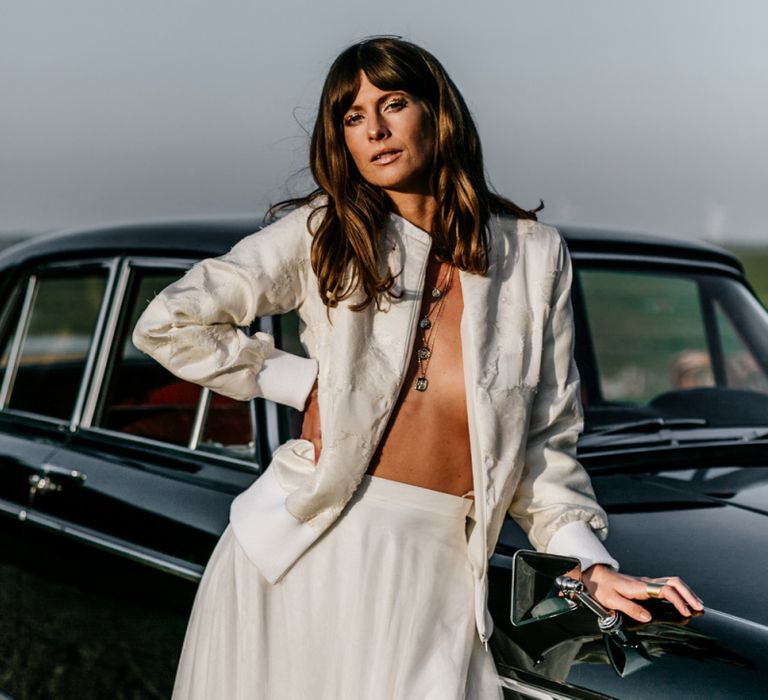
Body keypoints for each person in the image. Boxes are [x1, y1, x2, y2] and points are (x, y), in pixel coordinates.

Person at [133, 36, 703, 700]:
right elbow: (171, 321)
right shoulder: (326, 233)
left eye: (393, 103)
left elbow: (545, 443)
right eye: (351, 116)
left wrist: (590, 566)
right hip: (304, 551)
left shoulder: (533, 255)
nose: (373, 129)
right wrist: (302, 384)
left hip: (437, 570)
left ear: (438, 113)